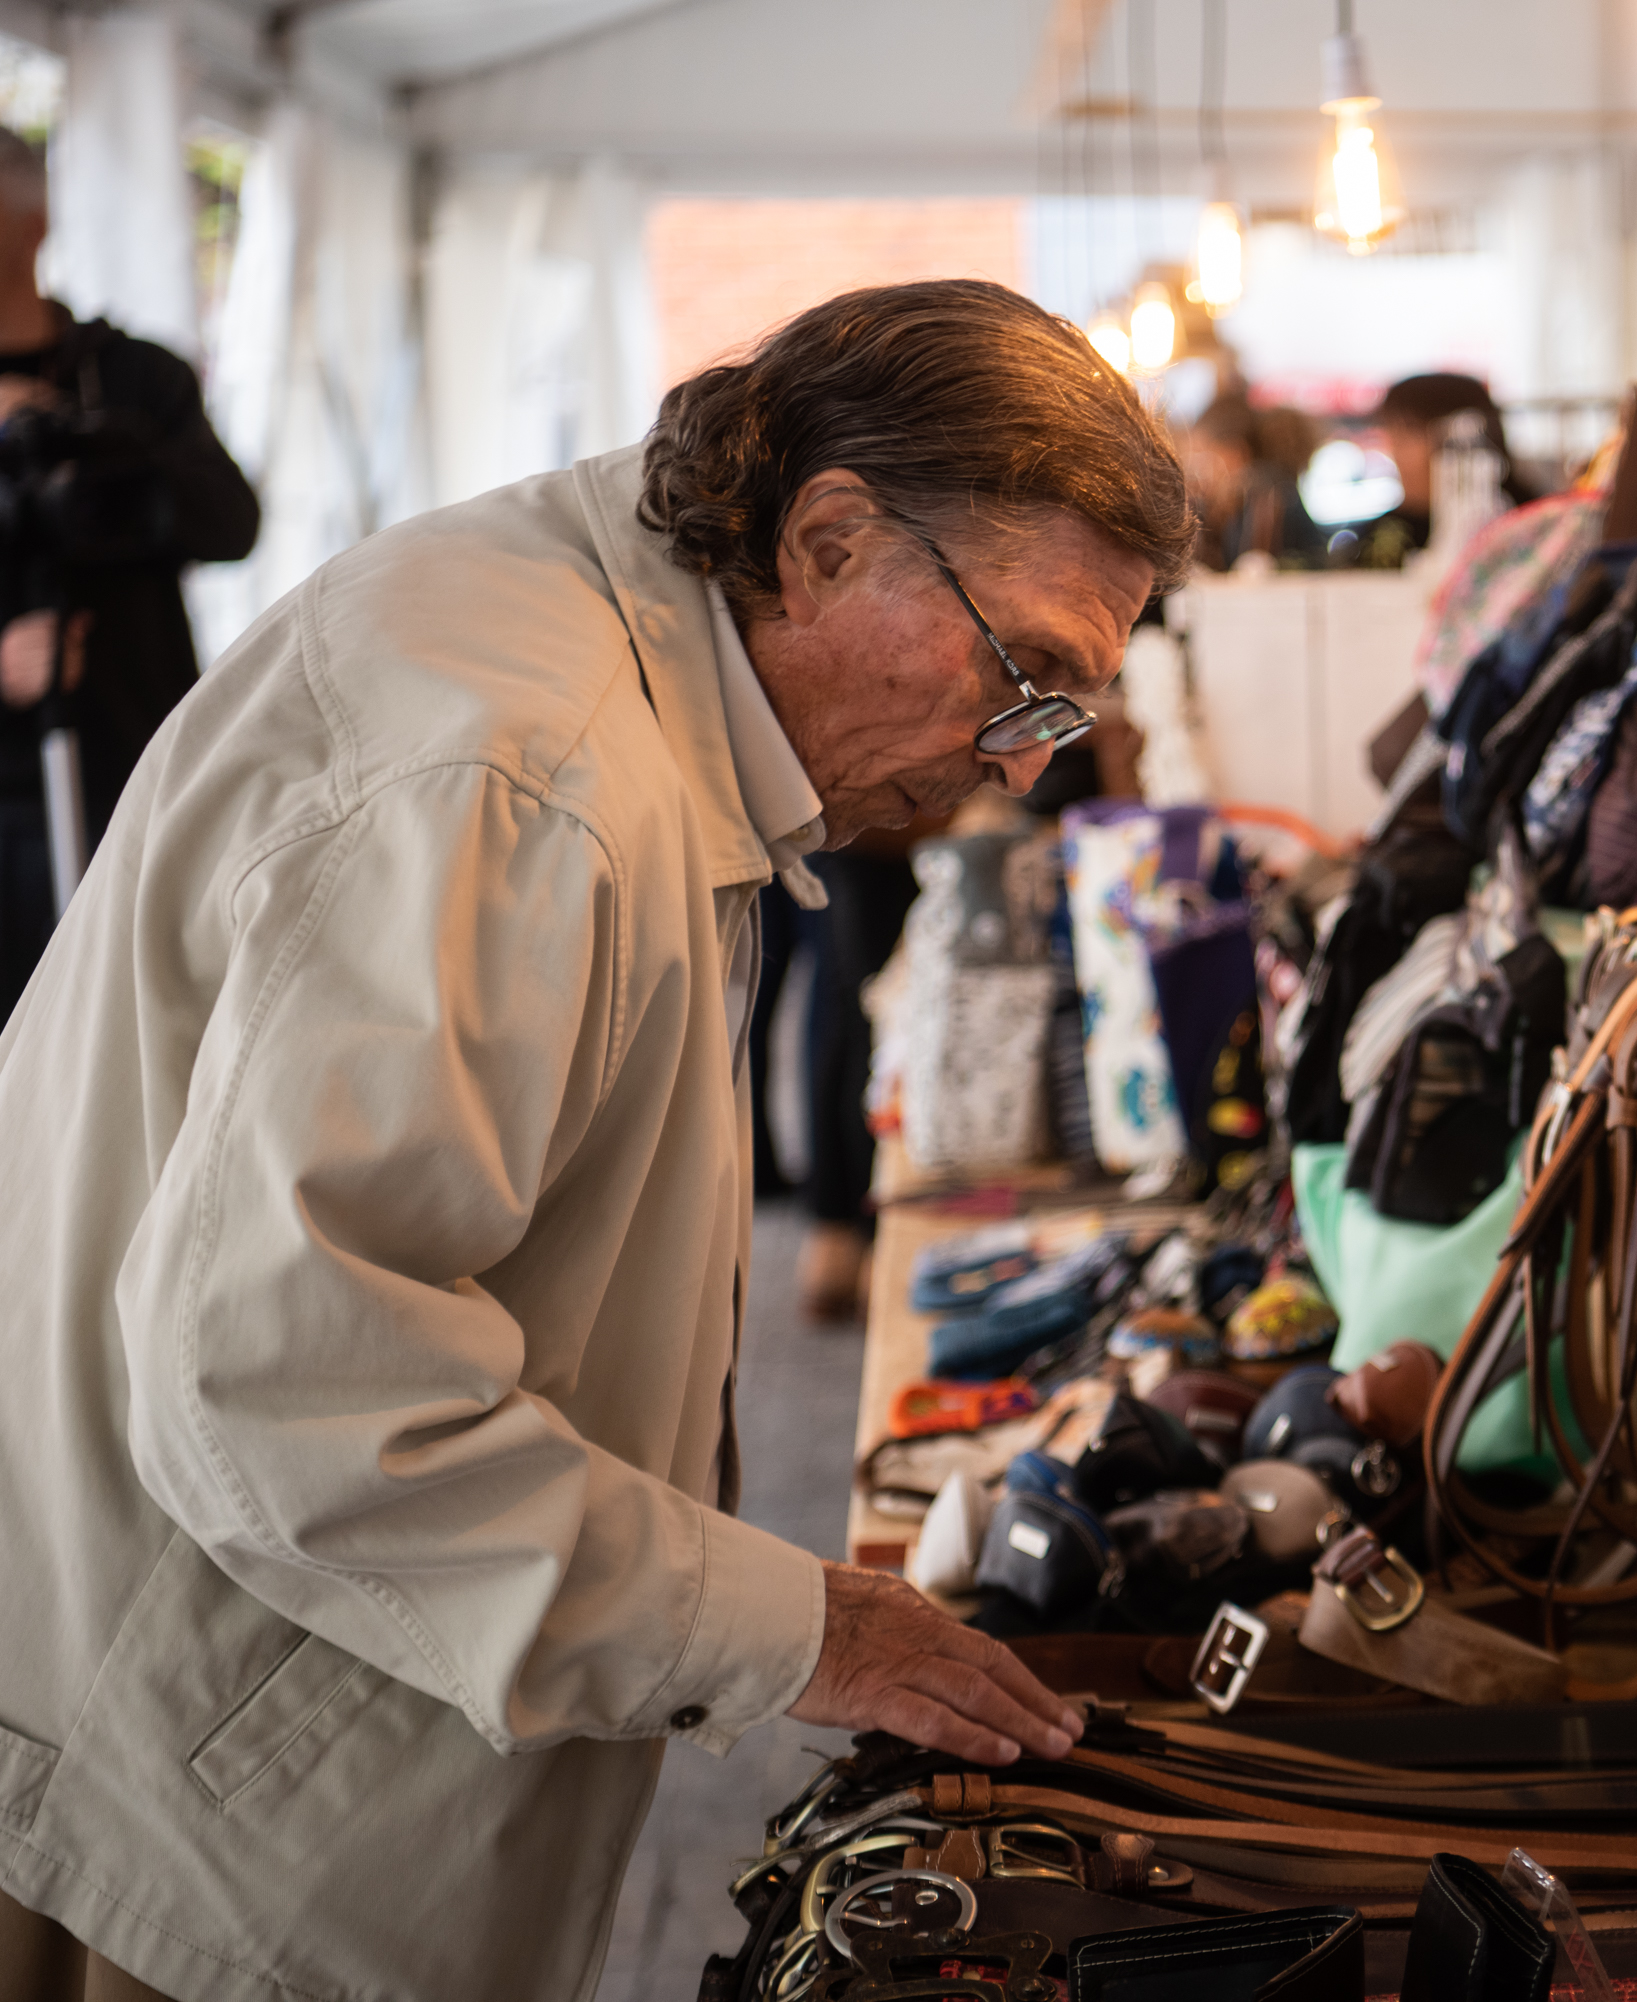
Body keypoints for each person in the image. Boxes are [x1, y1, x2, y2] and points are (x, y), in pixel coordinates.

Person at [0, 280, 1192, 1999]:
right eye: (1023, 676)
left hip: (247, 1727)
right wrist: (795, 1626)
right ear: (829, 539)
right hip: (199, 1805)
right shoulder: (524, 770)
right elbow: (286, 1390)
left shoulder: (601, 656)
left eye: (1057, 715)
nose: (1012, 761)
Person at [0, 130, 257, 1016]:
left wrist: (95, 438)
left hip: (143, 769)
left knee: (146, 1025)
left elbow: (231, 522)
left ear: (32, 222)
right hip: (12, 802)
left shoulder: (134, 378)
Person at [1348, 371, 1534, 569]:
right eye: (1394, 439)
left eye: (1406, 438)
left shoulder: (1533, 524)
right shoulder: (1387, 532)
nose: (1396, 455)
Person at [1185, 390, 1326, 571]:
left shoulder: (1269, 498)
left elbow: (1317, 562)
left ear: (1235, 453)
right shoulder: (1237, 503)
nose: (1204, 468)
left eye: (1208, 455)